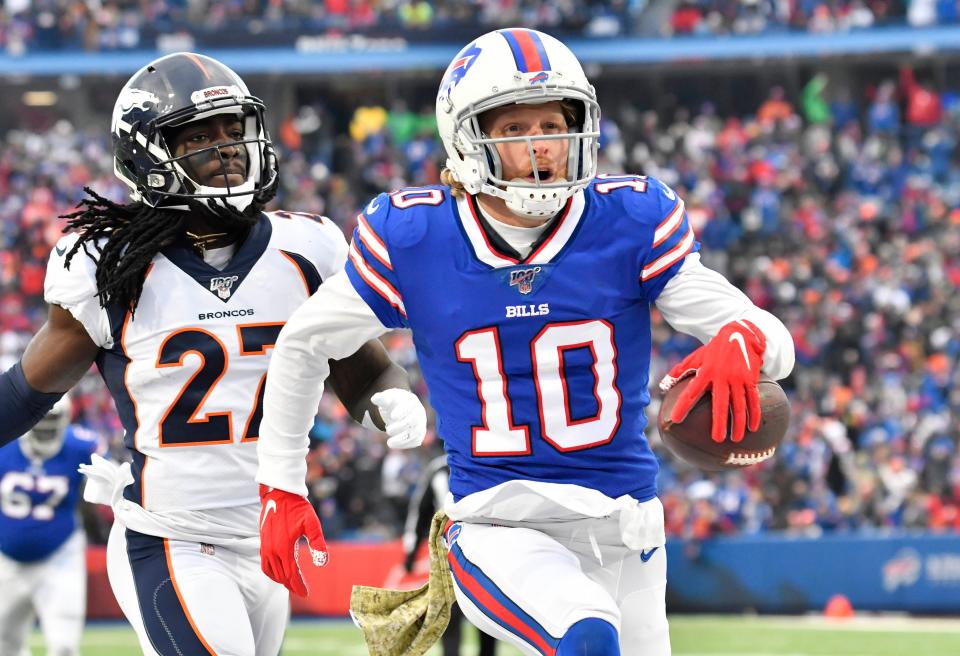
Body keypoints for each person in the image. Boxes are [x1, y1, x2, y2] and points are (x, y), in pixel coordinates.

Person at [255, 28, 795, 656]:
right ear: (467, 139)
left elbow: (775, 346)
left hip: (628, 526)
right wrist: (281, 485)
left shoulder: (627, 222)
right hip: (499, 524)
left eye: (554, 122)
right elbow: (302, 343)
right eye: (515, 130)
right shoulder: (418, 236)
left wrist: (743, 339)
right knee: (588, 635)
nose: (543, 145)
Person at [0, 52, 426, 656]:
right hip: (169, 536)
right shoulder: (108, 264)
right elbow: (25, 392)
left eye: (233, 131)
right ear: (146, 155)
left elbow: (362, 368)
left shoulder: (308, 247)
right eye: (198, 136)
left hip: (271, 534)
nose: (226, 148)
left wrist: (390, 398)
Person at [0, 398, 98, 656]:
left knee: (64, 646)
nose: (44, 428)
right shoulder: (4, 443)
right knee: (4, 644)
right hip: (5, 559)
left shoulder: (80, 446)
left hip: (60, 554)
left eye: (51, 421)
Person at [403, 453, 497, 656]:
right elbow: (421, 511)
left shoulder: (441, 468)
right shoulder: (478, 462)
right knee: (476, 615)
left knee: (471, 618)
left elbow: (420, 512)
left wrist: (411, 553)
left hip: (460, 553)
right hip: (475, 553)